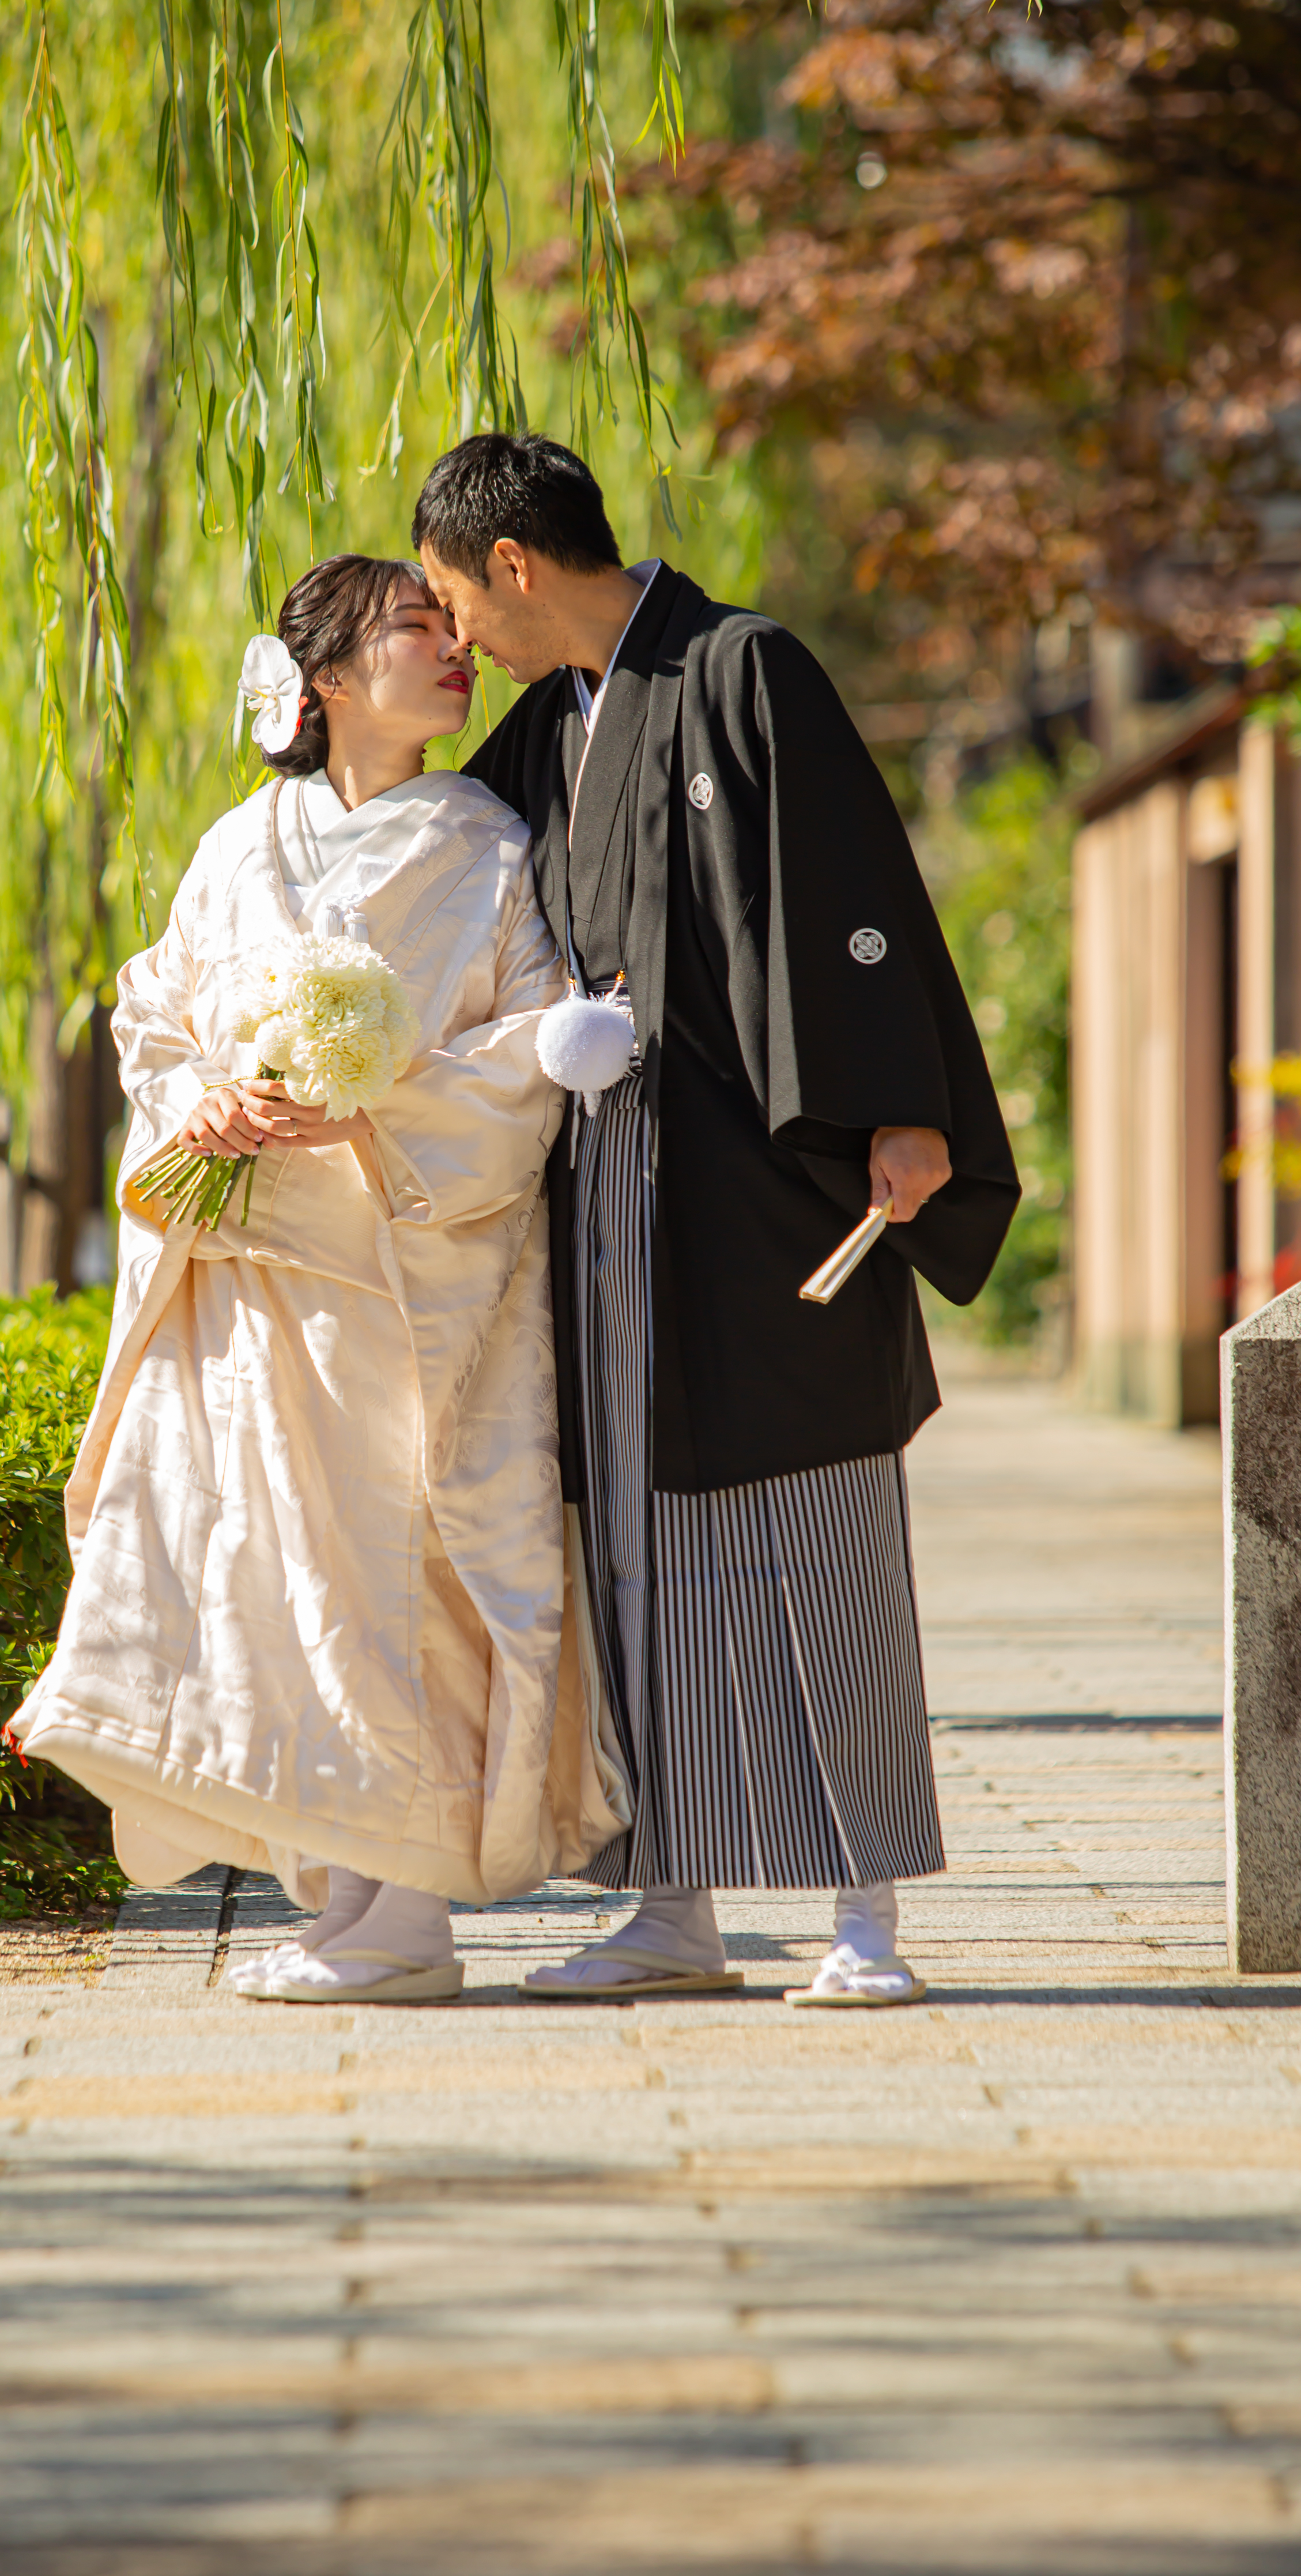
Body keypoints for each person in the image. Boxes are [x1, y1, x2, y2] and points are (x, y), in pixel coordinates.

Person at [413, 435, 1020, 2006]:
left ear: (514, 566)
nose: (455, 639)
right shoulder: (548, 736)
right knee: (632, 1548)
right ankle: (666, 1907)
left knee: (820, 1536)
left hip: (767, 1187)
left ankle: (866, 1909)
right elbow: (445, 898)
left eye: (449, 600)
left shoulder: (742, 668)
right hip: (610, 1199)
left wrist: (907, 1106)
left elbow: (857, 892)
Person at [8, 553, 624, 2004]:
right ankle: (342, 1895)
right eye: (414, 630)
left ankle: (408, 1912)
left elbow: (532, 1046)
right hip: (251, 1283)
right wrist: (200, 1110)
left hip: (401, 1279)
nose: (452, 648)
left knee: (394, 1573)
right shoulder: (239, 844)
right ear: (327, 681)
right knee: (269, 1577)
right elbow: (151, 1011)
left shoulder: (485, 843)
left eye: (447, 626)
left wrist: (374, 1112)